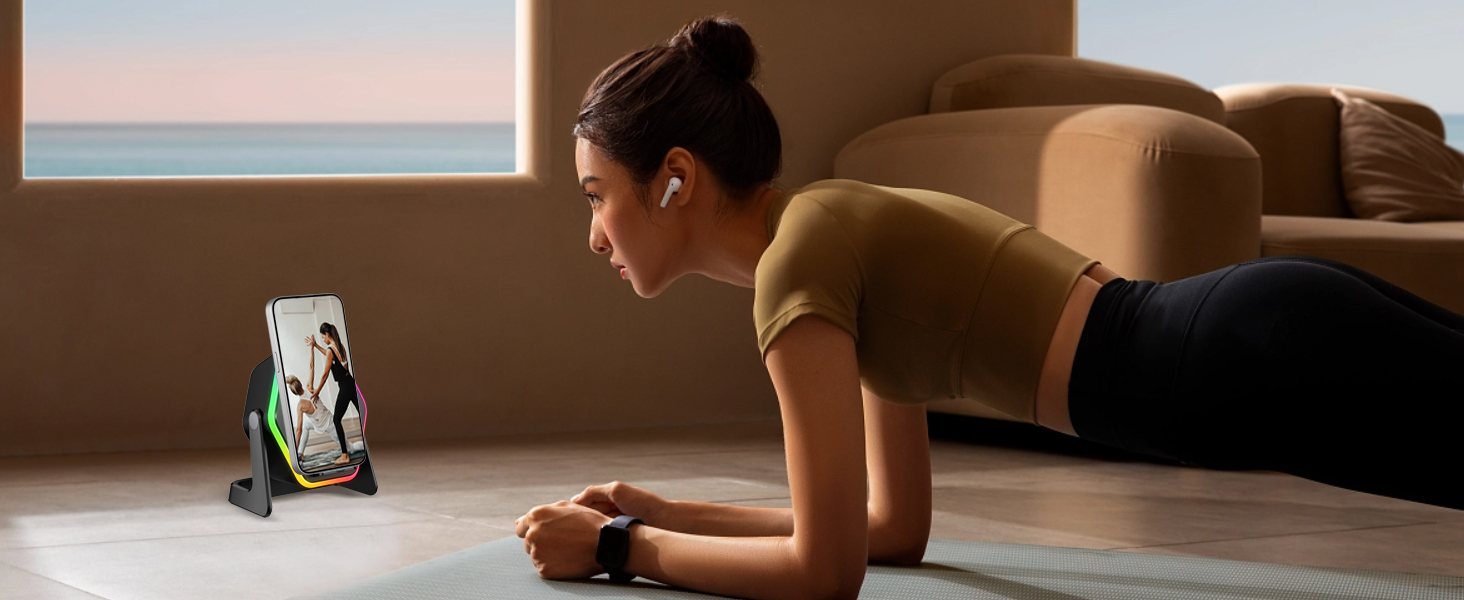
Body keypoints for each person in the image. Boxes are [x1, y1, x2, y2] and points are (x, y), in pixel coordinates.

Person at [513, 14, 1464, 600]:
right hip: (1251, 336)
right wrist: (661, 508)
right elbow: (890, 533)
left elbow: (823, 575)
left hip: (1239, 366)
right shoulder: (831, 230)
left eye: (598, 194)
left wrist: (618, 549)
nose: (595, 231)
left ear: (674, 181)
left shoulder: (798, 273)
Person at [308, 323, 360, 467]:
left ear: (327, 334)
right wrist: (316, 345)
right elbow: (328, 353)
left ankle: (345, 455)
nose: (323, 339)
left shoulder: (332, 349)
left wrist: (317, 391)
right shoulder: (339, 345)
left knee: (336, 419)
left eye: (322, 337)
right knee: (362, 413)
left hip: (345, 387)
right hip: (351, 384)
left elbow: (325, 374)